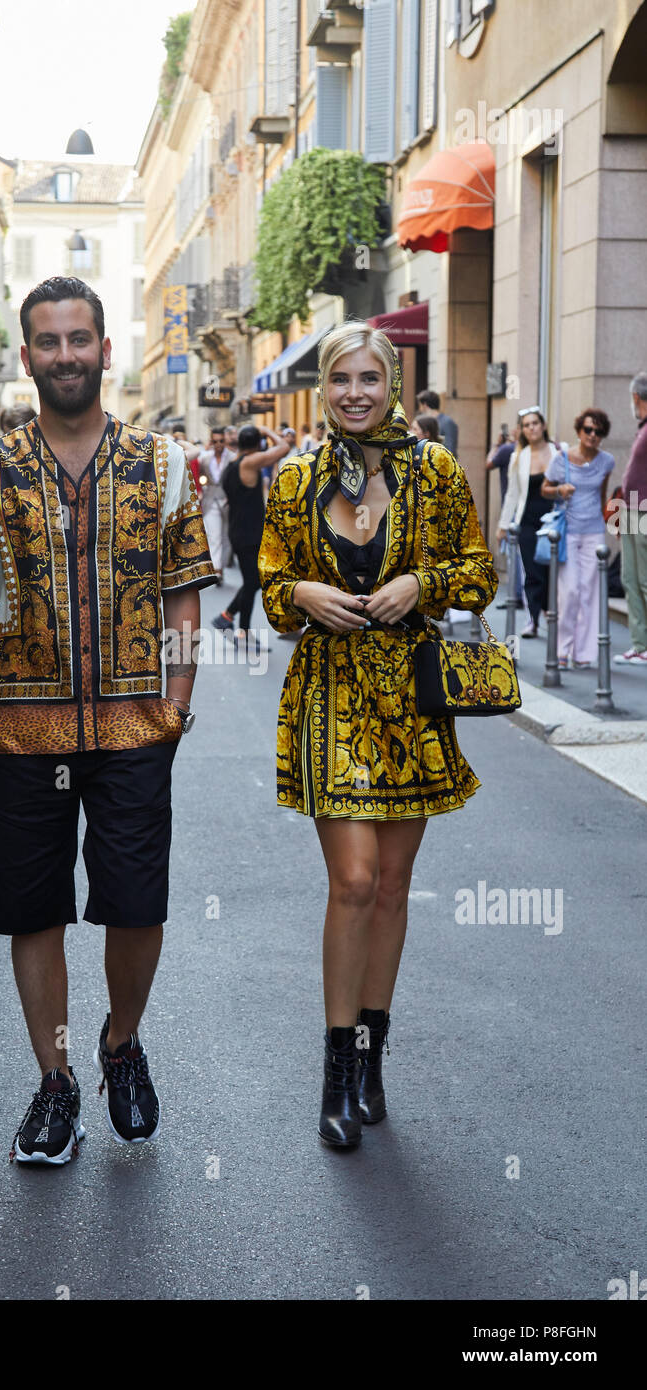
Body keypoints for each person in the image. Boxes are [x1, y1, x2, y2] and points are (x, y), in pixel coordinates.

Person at [0, 276, 216, 1163]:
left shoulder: (162, 465)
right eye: (48, 342)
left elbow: (182, 599)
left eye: (78, 340)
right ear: (27, 356)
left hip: (134, 729)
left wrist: (176, 703)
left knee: (135, 907)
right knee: (33, 912)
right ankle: (55, 1085)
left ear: (104, 350)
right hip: (20, 728)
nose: (65, 356)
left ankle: (120, 1044)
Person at [258, 320, 497, 1150]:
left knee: (393, 888)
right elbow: (269, 588)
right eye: (339, 380)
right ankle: (332, 1074)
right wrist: (302, 599)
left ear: (392, 381)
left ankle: (369, 1059)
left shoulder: (433, 470)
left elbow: (479, 572)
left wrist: (419, 583)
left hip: (414, 701)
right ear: (323, 388)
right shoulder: (294, 479)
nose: (354, 393)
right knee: (353, 882)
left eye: (368, 378)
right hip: (329, 692)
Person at [542, 409, 615, 669]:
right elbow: (544, 489)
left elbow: (603, 496)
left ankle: (583, 653)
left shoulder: (606, 461)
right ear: (579, 431)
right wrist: (560, 490)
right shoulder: (561, 458)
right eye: (588, 430)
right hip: (568, 532)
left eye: (597, 432)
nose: (592, 435)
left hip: (594, 530)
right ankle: (562, 648)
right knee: (570, 591)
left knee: (590, 592)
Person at [210, 424, 290, 645]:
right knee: (253, 581)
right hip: (249, 534)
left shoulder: (232, 465)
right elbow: (284, 447)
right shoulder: (250, 461)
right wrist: (269, 430)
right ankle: (238, 628)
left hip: (240, 531)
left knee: (253, 582)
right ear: (257, 444)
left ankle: (229, 619)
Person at [497, 407, 555, 638]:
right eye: (527, 424)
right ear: (522, 430)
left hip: (552, 522)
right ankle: (533, 619)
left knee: (550, 571)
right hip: (527, 521)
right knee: (532, 572)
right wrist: (502, 525)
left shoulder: (557, 452)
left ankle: (551, 613)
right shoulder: (518, 456)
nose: (531, 428)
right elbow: (512, 494)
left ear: (543, 426)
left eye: (535, 423)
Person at [615, 372, 647, 666]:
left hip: (643, 511)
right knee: (630, 578)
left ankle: (642, 645)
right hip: (632, 510)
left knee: (644, 580)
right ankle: (640, 646)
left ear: (636, 397)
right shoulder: (643, 427)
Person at [485, 424, 525, 608]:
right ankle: (520, 595)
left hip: (512, 508)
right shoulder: (523, 450)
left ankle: (516, 595)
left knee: (513, 554)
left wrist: (496, 445)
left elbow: (488, 463)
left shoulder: (507, 449)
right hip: (526, 508)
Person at [198, 426, 236, 582]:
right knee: (214, 536)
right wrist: (202, 491)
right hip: (210, 499)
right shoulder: (205, 458)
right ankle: (217, 569)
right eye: (215, 441)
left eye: (221, 441)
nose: (218, 444)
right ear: (211, 441)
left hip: (228, 500)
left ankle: (222, 565)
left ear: (225, 441)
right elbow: (201, 478)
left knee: (227, 536)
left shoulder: (233, 458)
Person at [416, 388, 458, 456]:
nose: (419, 409)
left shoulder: (447, 422)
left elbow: (451, 449)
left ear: (425, 405)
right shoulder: (420, 421)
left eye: (420, 405)